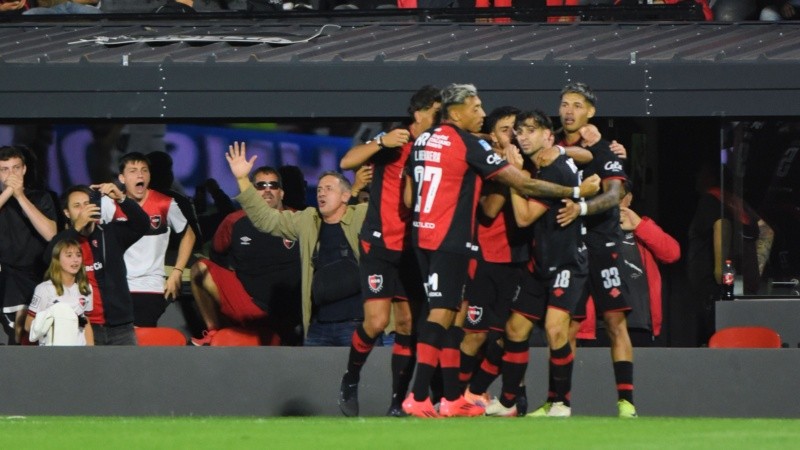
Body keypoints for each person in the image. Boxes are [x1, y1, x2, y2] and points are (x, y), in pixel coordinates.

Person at [400, 83, 601, 418]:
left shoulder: (423, 140)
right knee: (442, 318)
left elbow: (410, 197)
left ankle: (454, 398)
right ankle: (419, 396)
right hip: (451, 241)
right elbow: (521, 187)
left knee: (451, 320)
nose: (481, 114)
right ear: (457, 110)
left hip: (424, 236)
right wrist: (577, 190)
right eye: (476, 108)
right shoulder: (469, 144)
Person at [337, 85, 440, 417]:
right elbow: (346, 161)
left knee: (408, 324)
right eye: (436, 113)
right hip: (380, 243)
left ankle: (397, 401)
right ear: (419, 113)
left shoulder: (435, 146)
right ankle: (351, 378)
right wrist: (380, 142)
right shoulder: (395, 139)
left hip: (413, 247)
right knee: (377, 322)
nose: (440, 120)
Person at [226, 142, 370, 346]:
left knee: (357, 377)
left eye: (328, 188)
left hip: (358, 323)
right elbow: (266, 219)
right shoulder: (307, 220)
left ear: (346, 195)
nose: (321, 193)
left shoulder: (362, 214)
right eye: (319, 189)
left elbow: (391, 209)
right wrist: (242, 179)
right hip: (318, 326)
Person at [550, 81, 637, 418]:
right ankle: (560, 402)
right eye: (565, 104)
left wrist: (583, 208)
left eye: (576, 104)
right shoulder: (552, 148)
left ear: (590, 112)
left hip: (601, 245)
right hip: (567, 248)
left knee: (615, 322)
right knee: (565, 326)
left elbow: (615, 194)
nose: (569, 111)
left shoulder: (604, 150)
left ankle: (627, 403)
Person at [190, 166, 302, 346]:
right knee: (200, 268)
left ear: (281, 192)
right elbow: (218, 255)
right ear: (251, 191)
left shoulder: (299, 220)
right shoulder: (234, 221)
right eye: (260, 185)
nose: (267, 189)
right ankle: (214, 332)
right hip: (247, 303)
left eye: (272, 185)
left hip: (290, 313)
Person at [101, 152, 196, 327]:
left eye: (144, 171)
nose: (140, 175)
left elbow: (188, 234)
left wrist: (177, 271)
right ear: (121, 178)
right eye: (133, 171)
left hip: (150, 285)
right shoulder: (109, 204)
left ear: (149, 176)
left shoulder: (165, 203)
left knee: (139, 335)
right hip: (117, 286)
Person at [578, 185, 681, 347]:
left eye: (617, 197)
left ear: (629, 198)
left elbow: (672, 253)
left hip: (638, 325)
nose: (612, 203)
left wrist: (639, 225)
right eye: (605, 198)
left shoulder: (642, 228)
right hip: (599, 327)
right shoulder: (586, 229)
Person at [48, 184, 149, 345]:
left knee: (128, 370)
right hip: (82, 326)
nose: (84, 209)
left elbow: (143, 224)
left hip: (120, 327)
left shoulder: (111, 233)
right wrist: (77, 228)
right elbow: (48, 258)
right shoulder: (63, 241)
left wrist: (121, 199)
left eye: (88, 204)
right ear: (67, 213)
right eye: (77, 206)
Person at [688, 162, 773, 345]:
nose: (696, 177)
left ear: (710, 176)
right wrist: (754, 272)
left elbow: (722, 226)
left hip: (717, 293)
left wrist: (721, 275)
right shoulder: (735, 201)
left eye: (700, 172)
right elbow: (766, 231)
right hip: (742, 290)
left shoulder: (711, 199)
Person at [0, 145, 57, 344]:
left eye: (16, 168)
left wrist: (20, 196)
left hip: (38, 274)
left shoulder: (41, 198)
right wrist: (9, 192)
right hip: (7, 278)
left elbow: (51, 234)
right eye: (5, 169)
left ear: (24, 169)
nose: (11, 174)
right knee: (17, 332)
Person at [25, 239, 94, 346]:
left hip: (79, 354)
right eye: (69, 255)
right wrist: (54, 321)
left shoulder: (86, 288)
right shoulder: (44, 289)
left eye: (78, 255)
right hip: (52, 353)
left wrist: (91, 353)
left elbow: (87, 323)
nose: (75, 260)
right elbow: (28, 325)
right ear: (57, 259)